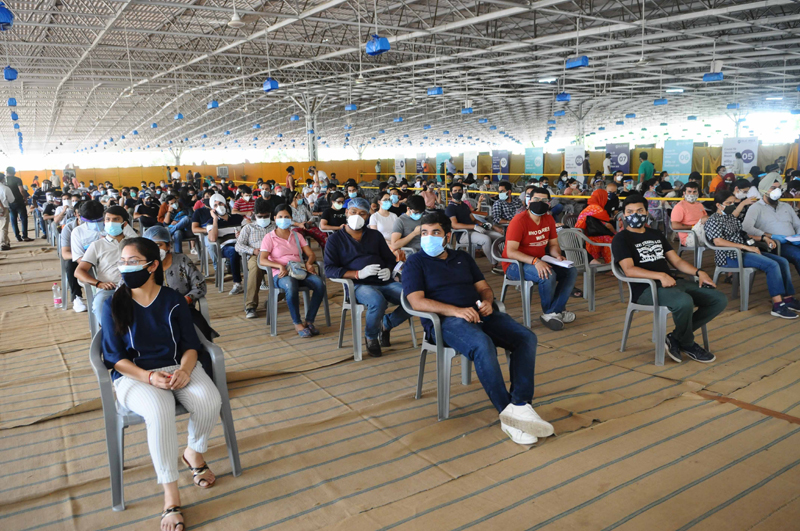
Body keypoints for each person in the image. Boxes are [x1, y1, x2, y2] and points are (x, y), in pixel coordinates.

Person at [402, 210, 554, 445]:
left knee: (526, 338)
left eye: (435, 232)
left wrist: (488, 302)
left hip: (479, 313)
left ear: (447, 236)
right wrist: (456, 311)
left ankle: (521, 404)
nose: (428, 237)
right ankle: (507, 413)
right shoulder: (415, 262)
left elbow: (483, 288)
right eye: (424, 233)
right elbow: (416, 302)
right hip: (445, 322)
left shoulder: (462, 258)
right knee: (483, 344)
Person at [101, 237, 221, 531]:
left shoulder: (172, 300)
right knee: (160, 411)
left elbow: (191, 345)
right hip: (134, 375)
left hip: (176, 366)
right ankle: (171, 495)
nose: (125, 267)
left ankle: (193, 453)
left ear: (153, 265)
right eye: (122, 262)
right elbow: (115, 358)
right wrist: (149, 377)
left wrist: (185, 370)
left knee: (210, 400)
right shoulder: (112, 303)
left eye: (133, 262)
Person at [612, 195, 727, 363]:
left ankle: (676, 337)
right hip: (646, 289)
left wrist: (699, 272)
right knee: (684, 302)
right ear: (624, 215)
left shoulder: (655, 234)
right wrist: (661, 275)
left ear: (646, 213)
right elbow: (629, 270)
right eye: (630, 212)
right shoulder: (621, 238)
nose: (634, 215)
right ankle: (687, 343)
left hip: (671, 283)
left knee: (718, 299)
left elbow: (677, 261)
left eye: (639, 210)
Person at [324, 197, 410, 357]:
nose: (357, 216)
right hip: (358, 285)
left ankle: (386, 324)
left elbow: (390, 259)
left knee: (413, 298)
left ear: (368, 216)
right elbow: (329, 269)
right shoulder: (335, 240)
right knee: (377, 301)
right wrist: (357, 274)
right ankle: (371, 337)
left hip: (383, 281)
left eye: (362, 213)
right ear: (346, 213)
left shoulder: (375, 235)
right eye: (353, 212)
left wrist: (388, 269)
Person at [705, 190, 799, 319]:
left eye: (733, 203)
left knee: (782, 261)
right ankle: (778, 305)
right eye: (729, 203)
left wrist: (764, 238)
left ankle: (788, 298)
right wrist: (745, 247)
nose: (732, 205)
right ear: (718, 205)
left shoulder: (730, 218)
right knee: (772, 265)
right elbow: (718, 241)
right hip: (730, 256)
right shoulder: (713, 220)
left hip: (744, 251)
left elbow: (744, 234)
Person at [504, 187, 578, 330]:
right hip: (514, 264)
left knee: (571, 271)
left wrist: (557, 255)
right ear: (529, 201)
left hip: (540, 259)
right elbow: (511, 252)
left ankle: (554, 311)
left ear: (549, 203)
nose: (540, 203)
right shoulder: (519, 220)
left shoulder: (548, 219)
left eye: (544, 200)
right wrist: (535, 261)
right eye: (536, 199)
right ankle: (552, 313)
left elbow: (553, 245)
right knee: (548, 274)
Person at [259, 204, 327, 338]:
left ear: (291, 218)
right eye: (280, 217)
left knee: (319, 284)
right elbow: (262, 260)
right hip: (280, 274)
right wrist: (279, 266)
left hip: (298, 270)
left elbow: (311, 254)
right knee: (290, 284)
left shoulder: (297, 236)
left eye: (286, 217)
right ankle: (297, 323)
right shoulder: (269, 237)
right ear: (274, 218)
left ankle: (309, 321)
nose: (283, 219)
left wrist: (309, 263)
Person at [143, 226, 216, 339]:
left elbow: (199, 285)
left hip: (183, 309)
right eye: (151, 246)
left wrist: (186, 300)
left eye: (159, 245)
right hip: (154, 312)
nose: (155, 250)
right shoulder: (143, 266)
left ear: (168, 246)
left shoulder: (182, 260)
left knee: (200, 334)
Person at [74, 206, 136, 325]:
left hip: (134, 286)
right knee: (100, 304)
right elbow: (79, 271)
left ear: (124, 224)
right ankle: (110, 333)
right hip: (110, 289)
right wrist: (98, 283)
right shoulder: (97, 245)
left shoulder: (134, 243)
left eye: (116, 219)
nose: (111, 223)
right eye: (108, 219)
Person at [742, 173, 800, 276]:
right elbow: (747, 228)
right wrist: (770, 236)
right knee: (798, 255)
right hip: (775, 244)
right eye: (773, 188)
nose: (777, 191)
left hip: (794, 241)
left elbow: (797, 224)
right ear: (764, 189)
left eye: (779, 188)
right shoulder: (756, 208)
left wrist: (798, 236)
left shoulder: (786, 206)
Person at [446, 182, 504, 274]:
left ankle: (504, 261)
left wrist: (483, 224)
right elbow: (454, 225)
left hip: (474, 230)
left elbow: (473, 219)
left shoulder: (464, 205)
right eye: (455, 191)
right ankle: (495, 264)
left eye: (459, 190)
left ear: (463, 192)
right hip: (463, 234)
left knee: (498, 236)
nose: (457, 192)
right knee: (486, 239)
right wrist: (473, 226)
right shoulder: (450, 208)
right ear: (451, 193)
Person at [234, 198, 274, 319]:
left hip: (274, 256)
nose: (263, 219)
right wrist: (252, 250)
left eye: (266, 216)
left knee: (287, 269)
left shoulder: (276, 227)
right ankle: (250, 306)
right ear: (255, 215)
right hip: (256, 256)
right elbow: (238, 246)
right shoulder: (248, 228)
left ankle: (274, 298)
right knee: (255, 269)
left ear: (270, 215)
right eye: (260, 216)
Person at [207, 194, 245, 295]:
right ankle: (237, 283)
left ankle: (260, 281)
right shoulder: (211, 222)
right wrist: (215, 219)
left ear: (225, 204)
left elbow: (249, 228)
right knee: (233, 251)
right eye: (215, 205)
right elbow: (212, 238)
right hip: (225, 248)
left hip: (241, 244)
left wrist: (242, 233)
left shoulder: (237, 218)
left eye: (220, 203)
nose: (219, 206)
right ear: (213, 209)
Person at [575, 189, 616, 265]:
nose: (606, 200)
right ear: (601, 197)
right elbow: (607, 224)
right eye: (605, 198)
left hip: (580, 235)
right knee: (611, 238)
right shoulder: (597, 208)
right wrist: (615, 232)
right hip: (586, 237)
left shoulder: (590, 207)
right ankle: (611, 265)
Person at [670, 182, 708, 247]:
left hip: (703, 233)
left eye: (694, 192)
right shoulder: (679, 207)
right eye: (689, 192)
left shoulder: (699, 205)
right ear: (684, 193)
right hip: (689, 237)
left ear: (698, 193)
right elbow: (674, 226)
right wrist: (693, 227)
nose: (692, 194)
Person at [5, 167, 31, 242]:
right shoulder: (17, 179)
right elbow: (21, 190)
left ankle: (17, 237)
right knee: (23, 218)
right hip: (19, 201)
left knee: (13, 219)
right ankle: (25, 236)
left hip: (9, 202)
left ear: (7, 172)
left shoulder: (4, 180)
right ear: (14, 172)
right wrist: (25, 198)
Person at [0, 173, 12, 250]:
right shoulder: (5, 188)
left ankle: (7, 241)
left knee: (2, 227)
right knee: (4, 227)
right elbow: (11, 200)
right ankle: (3, 243)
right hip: (3, 208)